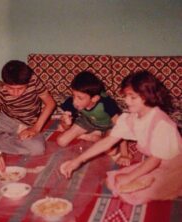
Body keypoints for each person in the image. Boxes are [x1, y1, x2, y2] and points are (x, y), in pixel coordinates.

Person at [60, 71, 182, 205]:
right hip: (156, 163)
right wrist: (77, 161)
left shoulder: (162, 123)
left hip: (175, 165)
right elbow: (108, 141)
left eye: (132, 97)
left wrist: (130, 177)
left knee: (133, 192)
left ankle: (163, 184)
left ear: (148, 97)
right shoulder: (132, 118)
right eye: (126, 96)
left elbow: (155, 159)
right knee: (113, 181)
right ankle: (149, 180)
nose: (126, 100)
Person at [0, 60, 56, 171]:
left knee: (37, 149)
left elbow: (50, 103)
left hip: (27, 125)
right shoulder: (0, 92)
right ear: (4, 83)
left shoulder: (34, 81)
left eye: (20, 89)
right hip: (5, 120)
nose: (16, 93)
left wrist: (35, 129)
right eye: (11, 88)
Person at [57, 71, 130, 165]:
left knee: (110, 151)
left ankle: (95, 136)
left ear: (94, 98)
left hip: (109, 125)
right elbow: (66, 127)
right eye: (73, 95)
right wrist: (66, 123)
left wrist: (124, 154)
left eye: (80, 98)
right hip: (88, 121)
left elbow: (121, 128)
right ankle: (95, 136)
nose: (75, 101)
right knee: (61, 141)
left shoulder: (107, 103)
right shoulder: (72, 102)